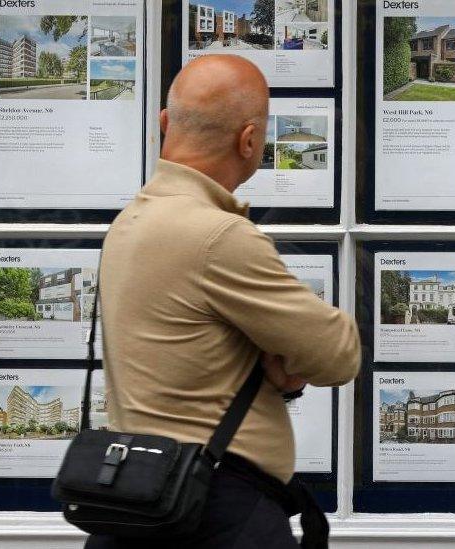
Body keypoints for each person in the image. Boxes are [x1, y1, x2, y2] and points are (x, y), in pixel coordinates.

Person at [85, 55, 360, 548]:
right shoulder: (219, 236)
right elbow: (338, 354)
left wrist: (259, 353)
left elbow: (189, 351)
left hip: (136, 501)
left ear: (164, 123)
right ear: (249, 140)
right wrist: (277, 356)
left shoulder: (129, 224)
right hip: (214, 513)